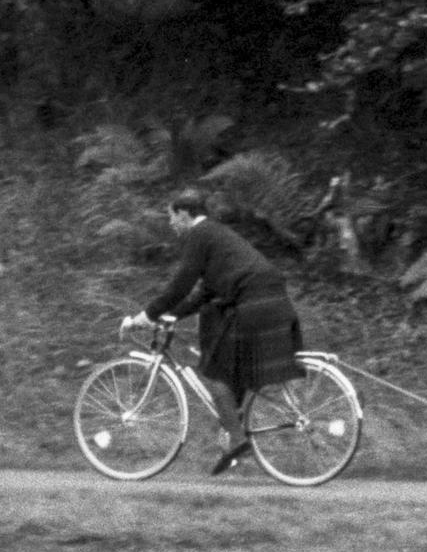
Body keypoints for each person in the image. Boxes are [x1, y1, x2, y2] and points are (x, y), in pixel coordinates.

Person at [127, 190, 304, 475]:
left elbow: (181, 284)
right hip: (269, 298)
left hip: (252, 302)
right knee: (233, 371)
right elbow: (204, 292)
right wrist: (171, 315)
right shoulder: (217, 235)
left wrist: (148, 315)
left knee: (216, 372)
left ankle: (236, 441)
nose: (171, 223)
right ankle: (233, 433)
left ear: (184, 213)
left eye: (171, 216)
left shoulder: (199, 235)